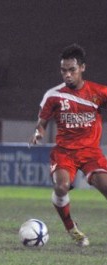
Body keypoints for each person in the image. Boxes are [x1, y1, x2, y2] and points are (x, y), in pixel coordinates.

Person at [29, 43, 107, 247]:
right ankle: (72, 229)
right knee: (61, 186)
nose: (67, 75)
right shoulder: (54, 95)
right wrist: (38, 132)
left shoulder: (98, 92)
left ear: (82, 68)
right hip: (65, 153)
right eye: (64, 70)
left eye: (72, 70)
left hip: (90, 152)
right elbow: (42, 121)